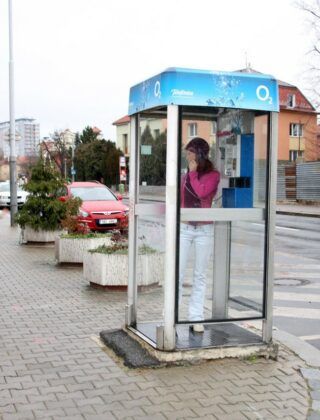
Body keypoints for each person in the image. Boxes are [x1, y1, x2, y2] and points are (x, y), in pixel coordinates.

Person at [180, 137, 220, 333]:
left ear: (200, 155)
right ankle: (171, 314)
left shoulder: (213, 175)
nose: (187, 156)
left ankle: (196, 317)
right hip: (185, 229)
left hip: (204, 229)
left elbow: (201, 193)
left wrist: (193, 174)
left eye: (190, 153)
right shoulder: (185, 175)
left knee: (200, 275)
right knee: (177, 273)